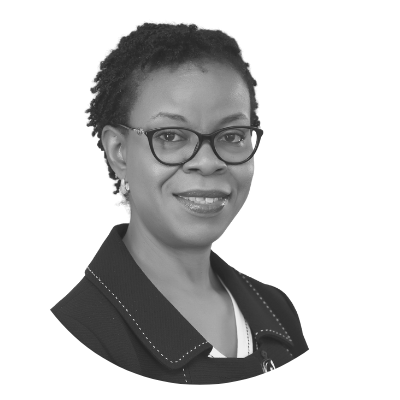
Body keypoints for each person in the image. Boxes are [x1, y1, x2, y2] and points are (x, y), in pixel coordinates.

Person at [51, 22, 308, 384]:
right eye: (171, 136)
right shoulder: (76, 334)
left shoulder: (277, 311)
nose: (208, 162)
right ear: (119, 151)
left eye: (232, 135)